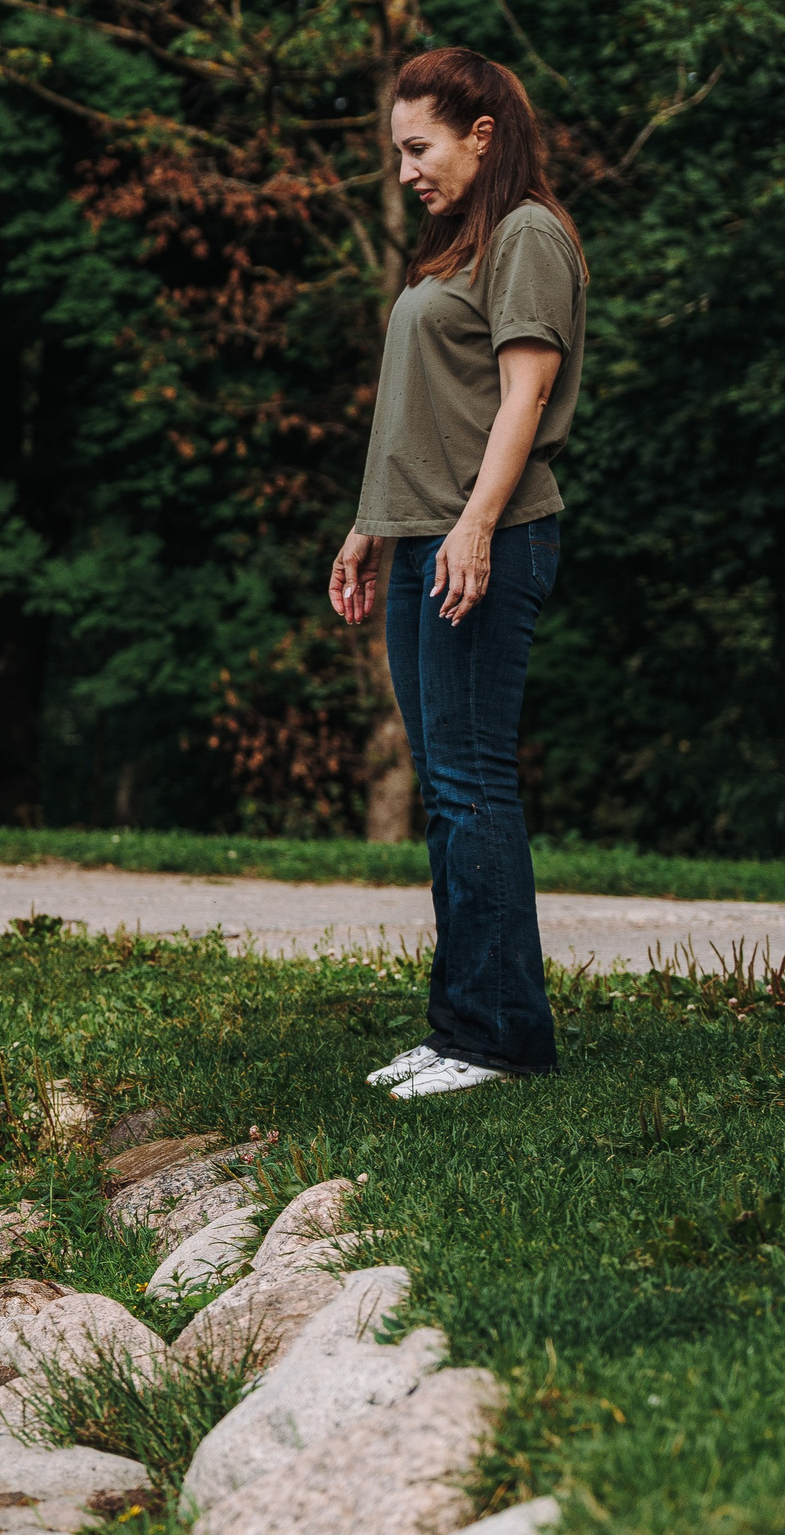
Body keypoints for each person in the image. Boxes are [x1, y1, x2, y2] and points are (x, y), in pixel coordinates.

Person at [331, 47, 587, 1100]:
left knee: (471, 785)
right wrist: (369, 526)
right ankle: (462, 1026)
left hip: (487, 536)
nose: (405, 172)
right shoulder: (461, 247)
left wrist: (475, 528)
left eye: (417, 148)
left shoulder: (527, 234)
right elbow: (425, 412)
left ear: (481, 135)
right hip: (423, 539)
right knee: (447, 790)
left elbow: (525, 399)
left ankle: (500, 1040)